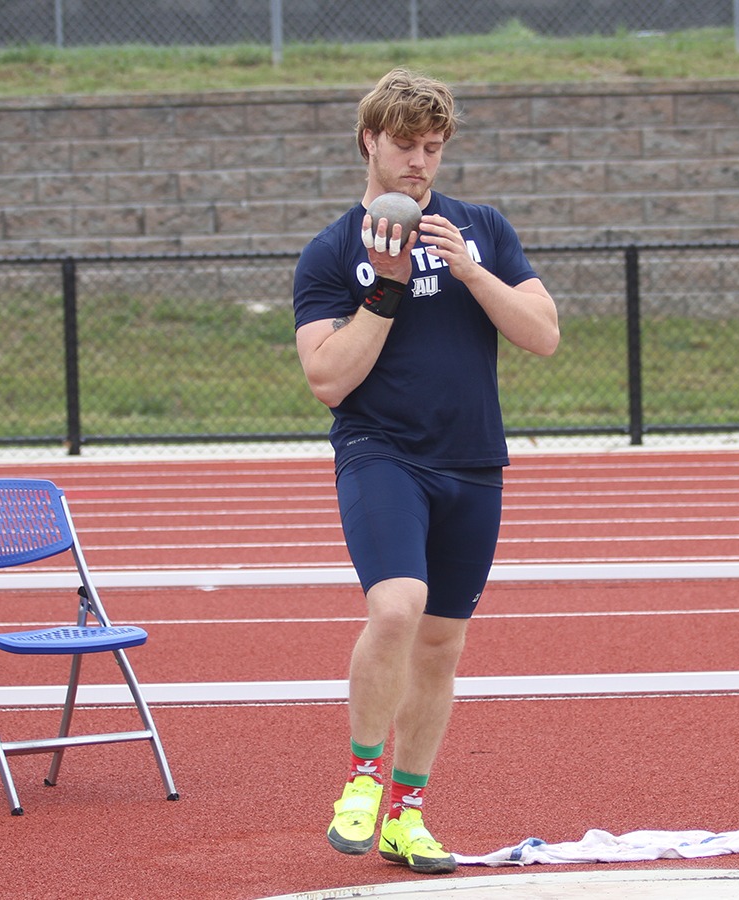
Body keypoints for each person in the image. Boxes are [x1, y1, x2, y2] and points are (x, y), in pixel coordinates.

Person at [292, 68, 560, 875]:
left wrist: (471, 270)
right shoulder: (332, 252)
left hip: (472, 459)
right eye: (404, 145)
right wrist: (388, 292)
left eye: (432, 147)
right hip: (382, 452)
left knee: (442, 642)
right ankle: (363, 777)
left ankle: (409, 813)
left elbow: (543, 334)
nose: (419, 163)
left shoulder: (481, 227)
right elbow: (327, 380)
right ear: (370, 141)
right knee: (398, 605)